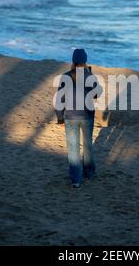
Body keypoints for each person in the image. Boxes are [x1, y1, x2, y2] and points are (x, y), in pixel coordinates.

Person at [55, 49, 101, 188]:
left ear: (73, 61)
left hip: (70, 116)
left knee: (73, 149)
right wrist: (90, 74)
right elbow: (97, 94)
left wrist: (59, 116)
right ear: (85, 61)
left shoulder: (65, 77)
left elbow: (59, 99)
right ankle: (89, 173)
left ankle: (76, 180)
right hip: (87, 116)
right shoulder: (89, 77)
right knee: (88, 145)